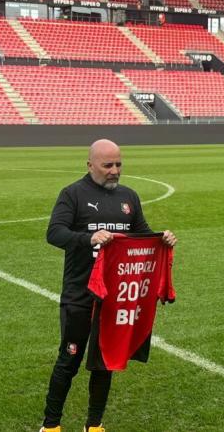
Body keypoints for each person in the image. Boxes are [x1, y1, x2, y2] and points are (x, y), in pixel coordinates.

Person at [40, 139, 177, 432]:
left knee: (104, 361)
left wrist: (161, 238)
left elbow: (140, 236)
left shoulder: (129, 197)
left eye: (118, 164)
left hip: (115, 298)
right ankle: (51, 425)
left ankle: (95, 424)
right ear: (90, 165)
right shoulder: (73, 194)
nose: (115, 171)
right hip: (81, 294)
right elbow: (54, 233)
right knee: (70, 359)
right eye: (108, 165)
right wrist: (87, 238)